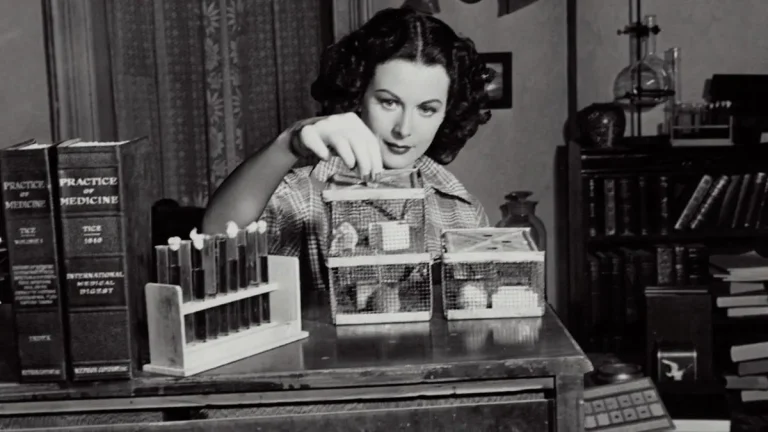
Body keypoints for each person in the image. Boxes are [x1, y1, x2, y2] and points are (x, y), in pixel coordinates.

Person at [202, 7, 495, 291]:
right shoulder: (304, 197)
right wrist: (288, 143)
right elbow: (216, 240)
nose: (404, 129)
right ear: (359, 94)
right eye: (388, 102)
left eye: (427, 109)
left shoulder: (463, 210)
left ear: (447, 112)